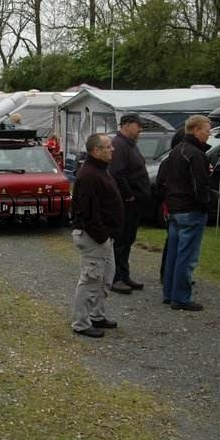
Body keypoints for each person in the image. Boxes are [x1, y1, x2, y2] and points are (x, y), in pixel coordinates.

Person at [70, 133, 125, 338]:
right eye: (108, 147)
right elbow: (88, 212)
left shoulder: (101, 170)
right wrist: (101, 236)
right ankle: (81, 323)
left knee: (106, 277)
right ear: (96, 151)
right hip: (93, 237)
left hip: (104, 236)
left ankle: (96, 315)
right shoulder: (88, 175)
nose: (113, 149)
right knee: (90, 279)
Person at [157, 115, 213, 311]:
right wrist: (207, 201)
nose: (208, 134)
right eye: (207, 131)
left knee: (173, 253)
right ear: (196, 130)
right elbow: (200, 185)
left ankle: (169, 293)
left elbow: (163, 181)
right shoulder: (196, 154)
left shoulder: (175, 152)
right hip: (190, 210)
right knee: (187, 256)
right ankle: (180, 296)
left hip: (174, 209)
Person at [109, 113, 151, 294]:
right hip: (126, 203)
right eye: (137, 125)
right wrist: (128, 196)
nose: (140, 129)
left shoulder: (130, 145)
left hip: (135, 202)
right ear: (126, 125)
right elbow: (117, 173)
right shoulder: (119, 145)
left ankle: (124, 275)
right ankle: (116, 277)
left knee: (128, 240)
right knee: (120, 240)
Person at [158, 126, 186, 284]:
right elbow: (161, 184)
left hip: (173, 206)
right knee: (173, 243)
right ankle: (167, 273)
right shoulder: (170, 161)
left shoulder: (171, 160)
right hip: (174, 207)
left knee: (176, 242)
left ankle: (173, 273)